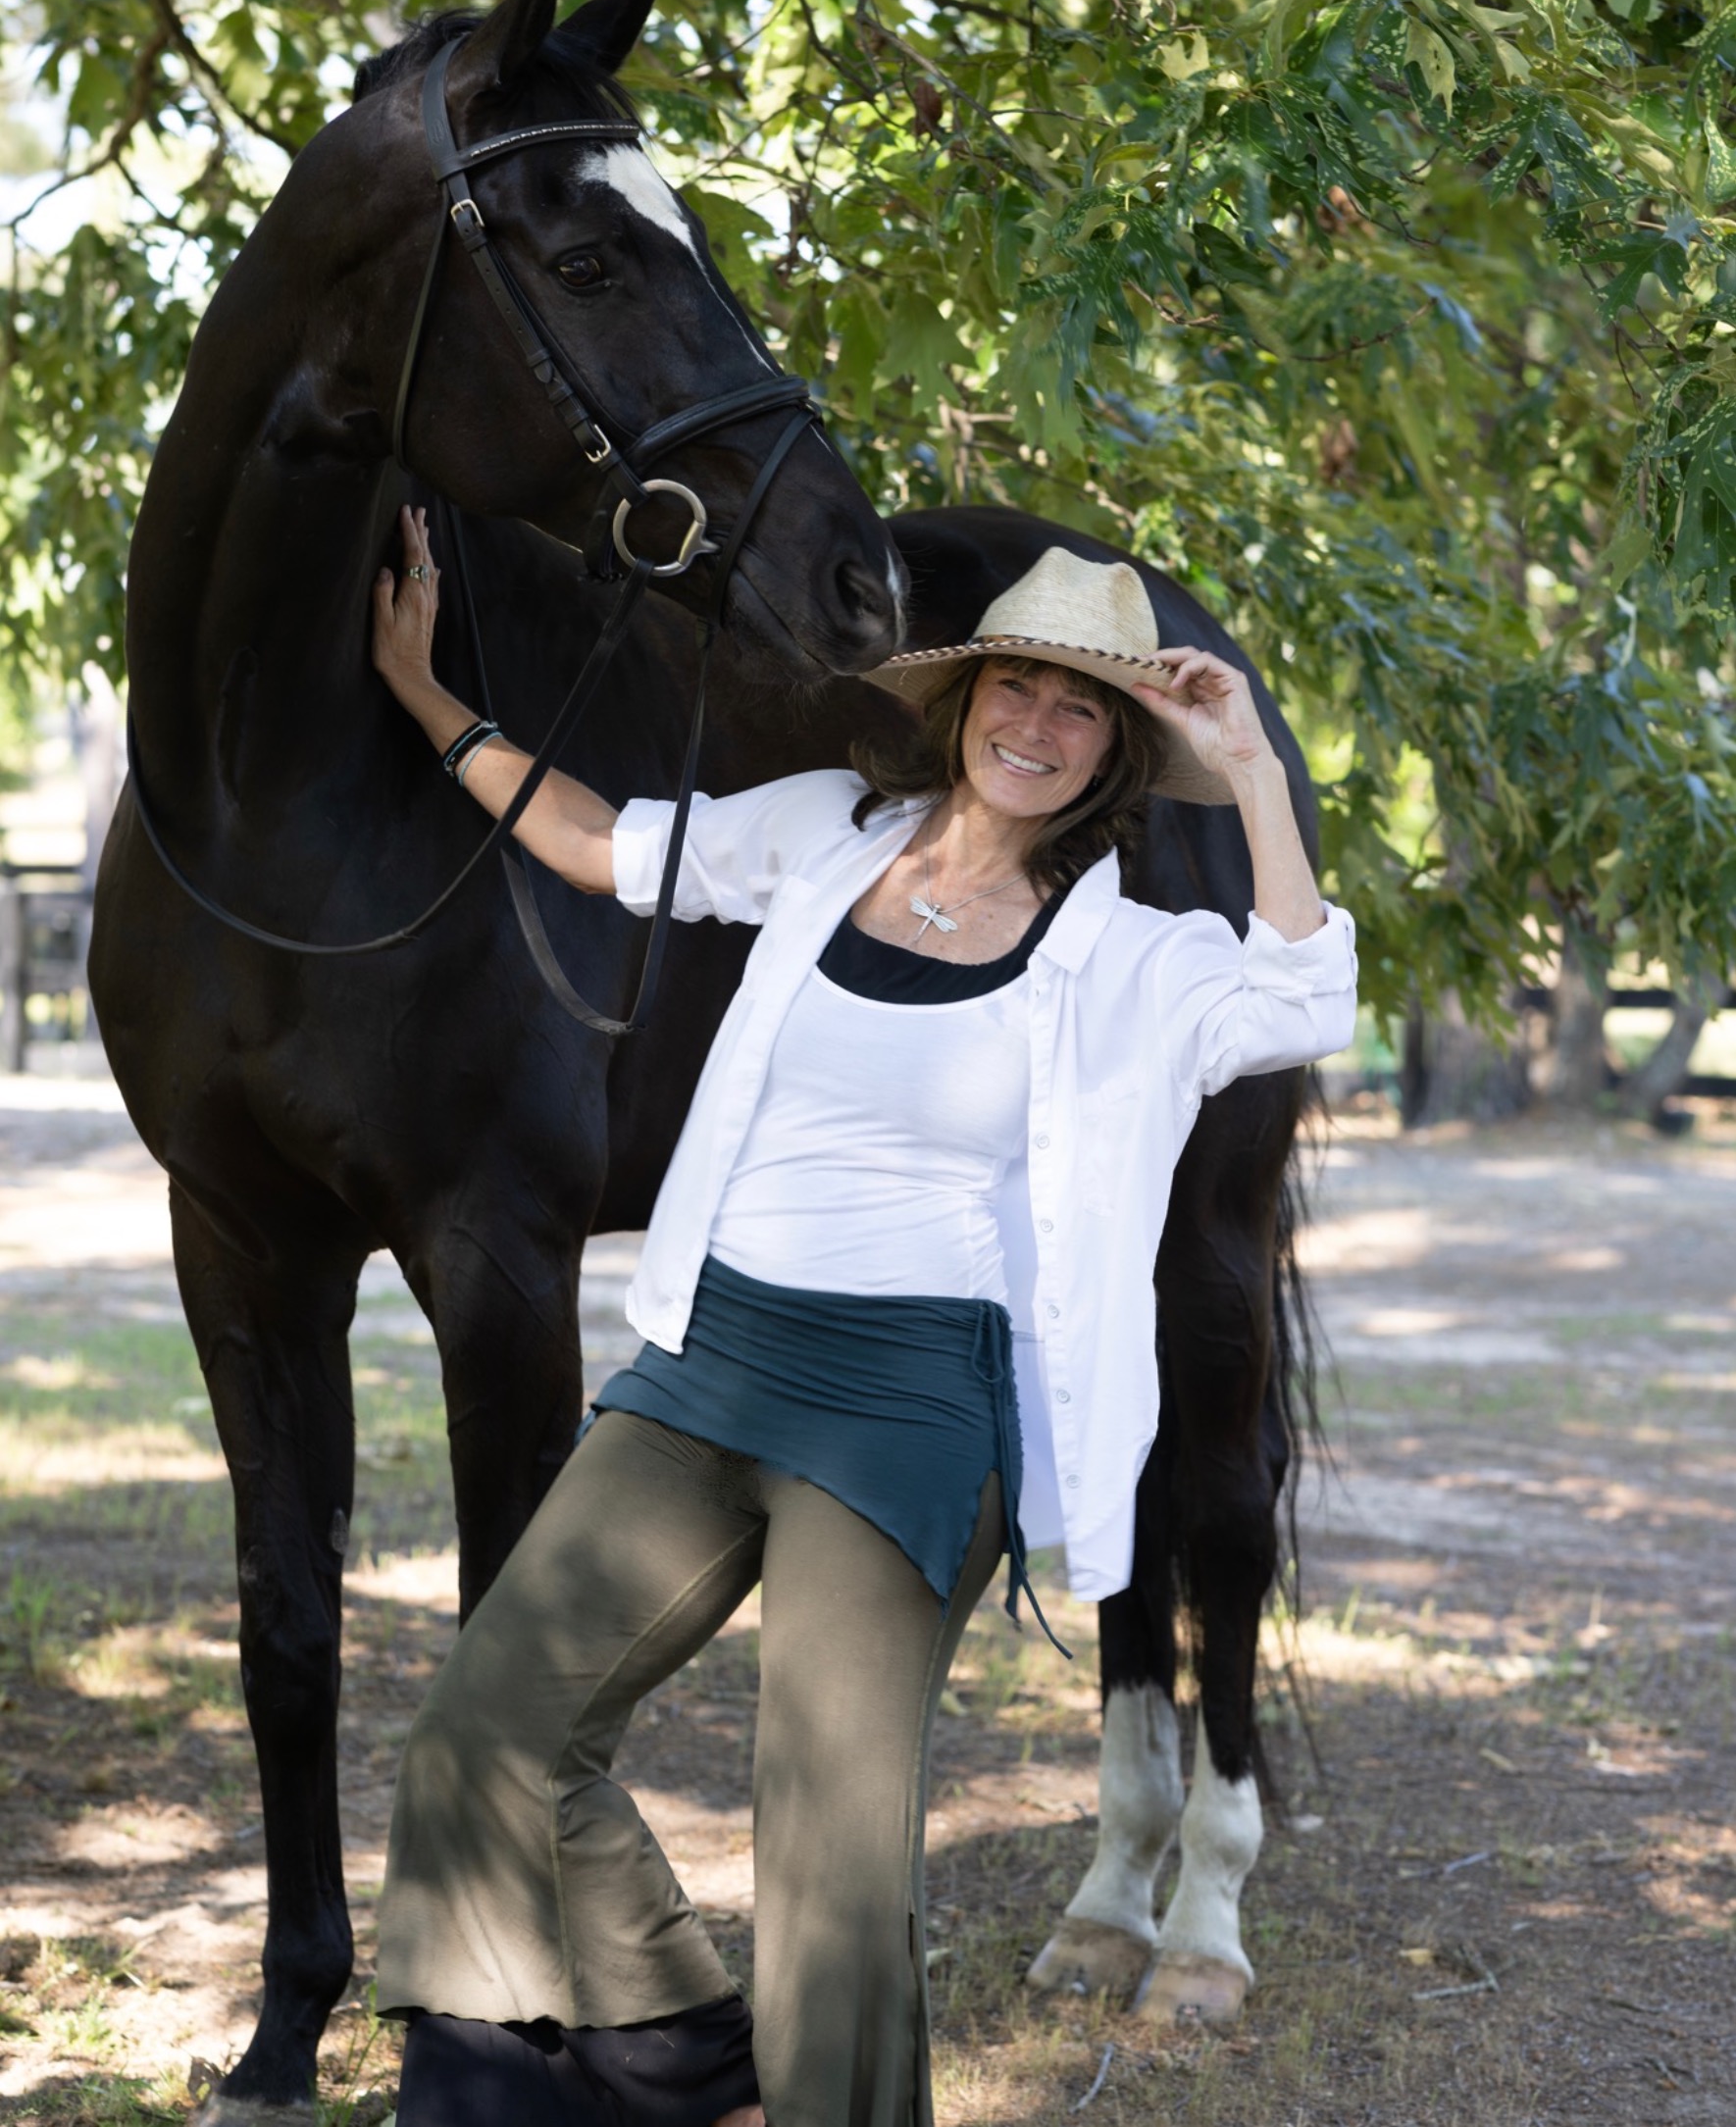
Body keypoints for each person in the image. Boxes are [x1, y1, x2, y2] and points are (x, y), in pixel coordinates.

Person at [368, 505, 1357, 2127]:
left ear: (1111, 754)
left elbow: (1305, 993)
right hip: (708, 1365)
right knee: (485, 1736)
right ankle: (679, 2062)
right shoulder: (826, 832)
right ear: (964, 701)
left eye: (1081, 708)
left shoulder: (1120, 955)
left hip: (905, 1411)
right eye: (1017, 688)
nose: (1038, 725)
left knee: (824, 1864)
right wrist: (430, 703)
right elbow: (600, 841)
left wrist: (1244, 756)